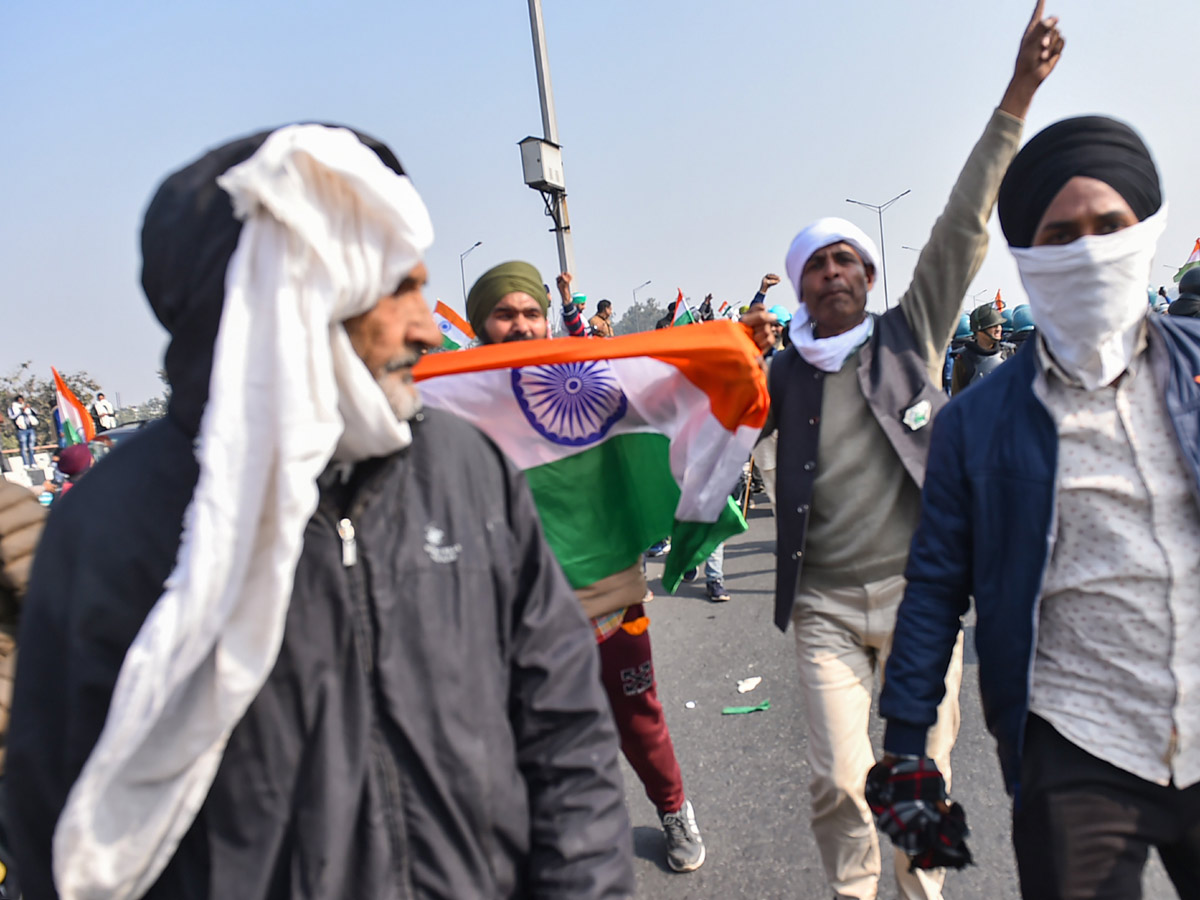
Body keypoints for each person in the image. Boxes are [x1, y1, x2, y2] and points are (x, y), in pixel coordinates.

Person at [9, 125, 633, 900]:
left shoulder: (469, 472)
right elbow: (56, 831)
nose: (426, 328)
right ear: (298, 298)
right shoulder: (111, 531)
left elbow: (564, 729)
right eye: (396, 289)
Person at [742, 6, 1062, 898]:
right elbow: (691, 418)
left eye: (850, 261)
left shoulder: (910, 334)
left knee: (918, 779)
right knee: (839, 783)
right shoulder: (776, 373)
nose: (836, 273)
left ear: (872, 279)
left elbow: (965, 220)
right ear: (801, 280)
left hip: (923, 597)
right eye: (819, 264)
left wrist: (1018, 92)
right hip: (827, 610)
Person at [878, 111, 1200, 900]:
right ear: (1026, 256)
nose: (1088, 250)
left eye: (1109, 226)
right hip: (1077, 746)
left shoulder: (1193, 376)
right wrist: (908, 750)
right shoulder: (976, 427)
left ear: (1144, 232)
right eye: (1061, 236)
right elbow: (933, 594)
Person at [467, 260, 706, 873]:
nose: (520, 325)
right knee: (533, 736)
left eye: (530, 313)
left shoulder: (585, 376)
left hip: (608, 595)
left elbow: (657, 401)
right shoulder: (459, 405)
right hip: (517, 609)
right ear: (480, 326)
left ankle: (673, 807)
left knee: (639, 715)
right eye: (504, 314)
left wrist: (723, 361)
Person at [950, 303, 1013, 394]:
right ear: (980, 330)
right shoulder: (963, 359)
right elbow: (957, 395)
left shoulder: (1008, 352)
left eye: (999, 325)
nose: (999, 329)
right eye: (993, 325)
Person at [6, 398, 37, 469]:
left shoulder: (26, 407)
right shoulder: (12, 408)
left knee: (31, 447)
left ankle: (33, 462)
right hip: (21, 430)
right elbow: (12, 417)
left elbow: (36, 413)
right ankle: (25, 463)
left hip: (30, 428)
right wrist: (21, 411)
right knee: (23, 447)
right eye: (19, 400)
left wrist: (30, 408)